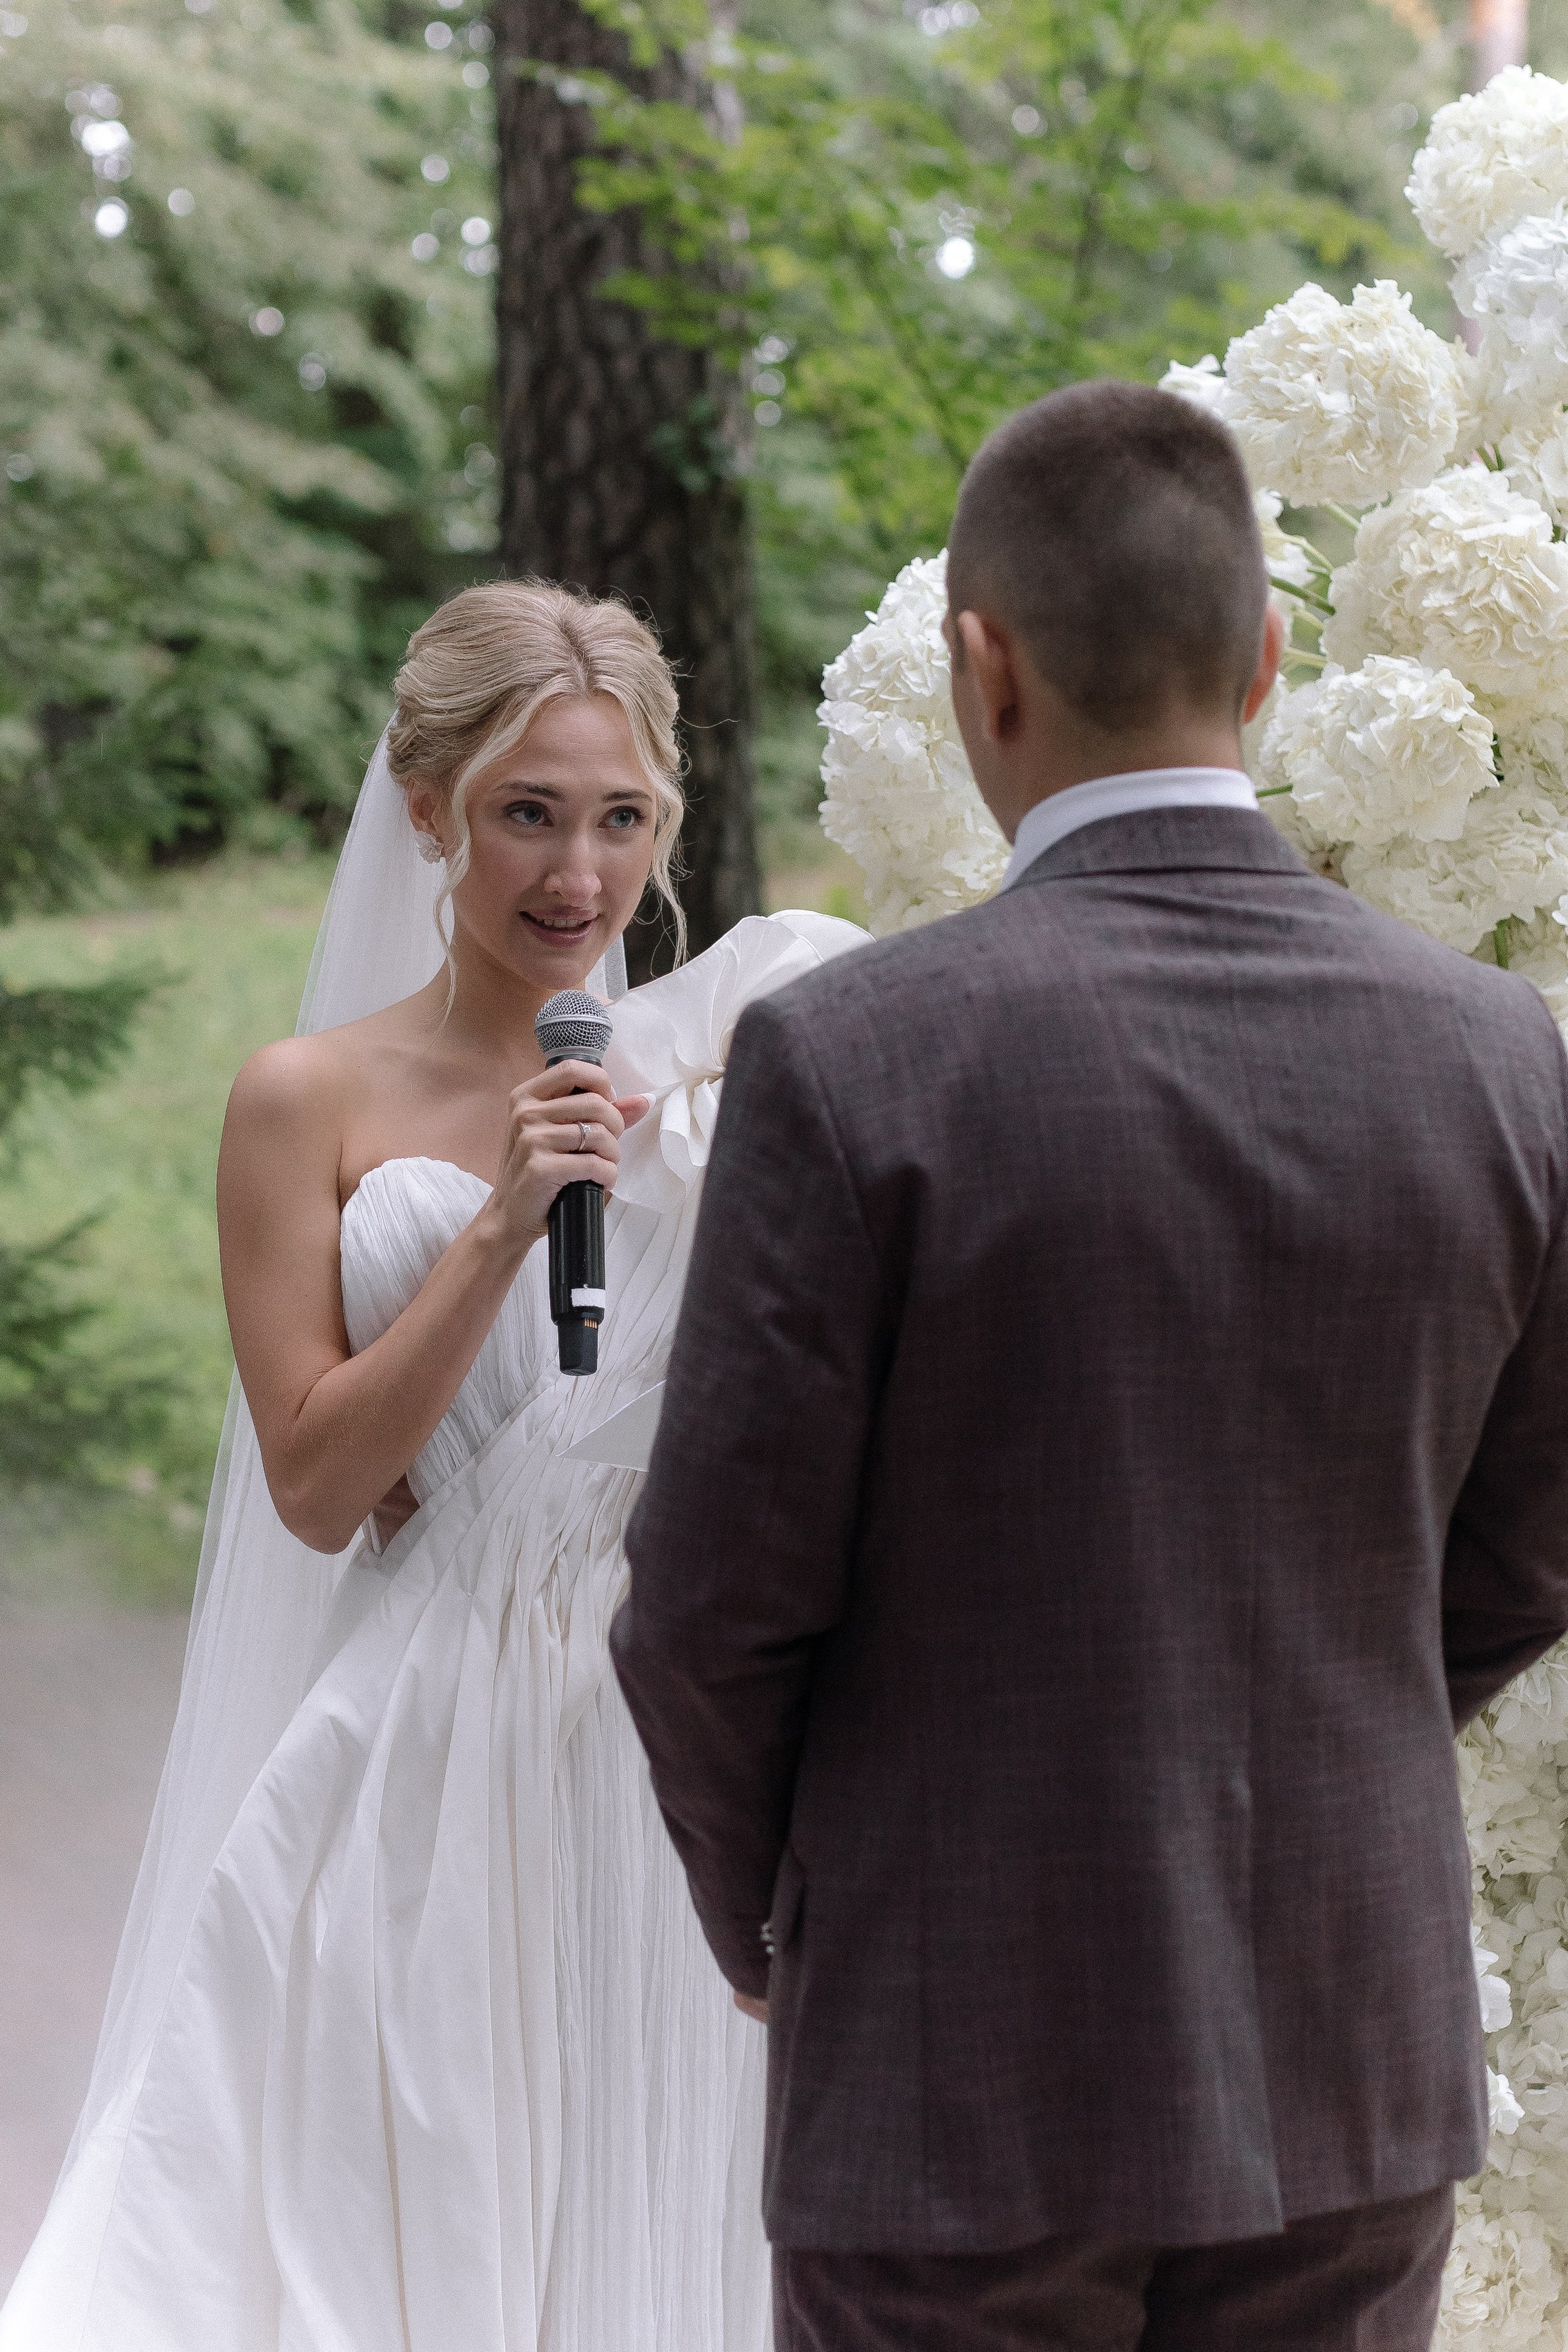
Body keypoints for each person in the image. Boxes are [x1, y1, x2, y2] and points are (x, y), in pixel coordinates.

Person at [611, 381, 1568, 2352]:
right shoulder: (1499, 1058)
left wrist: (784, 1916)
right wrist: (1336, 1706)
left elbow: (712, 1609)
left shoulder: (860, 1058)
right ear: (1275, 655)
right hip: (1345, 2050)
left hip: (956, 2057)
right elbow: (1532, 1546)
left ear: (983, 660)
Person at [0, 580, 862, 2352]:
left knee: (669, 2209)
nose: (578, 874)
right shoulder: (302, 1098)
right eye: (526, 814)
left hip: (669, 1741)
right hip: (421, 1743)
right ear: (425, 812)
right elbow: (316, 1488)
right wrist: (497, 1227)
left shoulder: (721, 1073)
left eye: (620, 818)